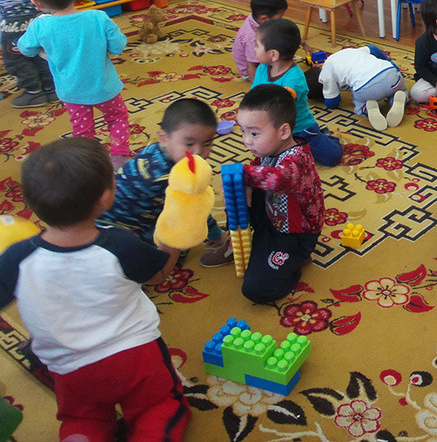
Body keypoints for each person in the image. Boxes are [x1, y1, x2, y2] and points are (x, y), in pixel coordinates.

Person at [0, 138, 189, 439]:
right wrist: (176, 234)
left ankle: (81, 434)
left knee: (83, 418)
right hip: (134, 357)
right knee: (158, 406)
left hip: (70, 369)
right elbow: (159, 274)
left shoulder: (16, 258)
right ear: (105, 197)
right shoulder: (119, 244)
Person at [95, 98, 232, 267]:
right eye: (189, 144)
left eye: (207, 143)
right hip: (123, 233)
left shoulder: (157, 149)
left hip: (105, 221)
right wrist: (217, 235)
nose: (198, 152)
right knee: (180, 241)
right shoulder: (166, 177)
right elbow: (193, 211)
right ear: (164, 137)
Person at [18, 0, 131, 166]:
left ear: (37, 3)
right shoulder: (98, 18)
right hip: (105, 88)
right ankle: (119, 155)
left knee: (83, 130)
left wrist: (45, 52)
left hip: (72, 92)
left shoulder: (40, 25)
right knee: (117, 118)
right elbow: (118, 46)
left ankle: (88, 162)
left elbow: (25, 48)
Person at [235, 84, 325, 303]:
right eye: (243, 131)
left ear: (284, 131)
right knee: (239, 189)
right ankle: (255, 240)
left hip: (294, 236)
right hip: (273, 216)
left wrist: (243, 174)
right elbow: (259, 173)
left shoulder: (297, 159)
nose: (246, 140)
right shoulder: (268, 149)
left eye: (254, 133)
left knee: (255, 289)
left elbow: (280, 179)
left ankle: (297, 261)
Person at [251, 18, 342, 166]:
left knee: (332, 157)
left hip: (301, 129)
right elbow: (254, 95)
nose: (254, 48)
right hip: (274, 129)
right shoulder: (262, 68)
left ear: (274, 55)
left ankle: (325, 137)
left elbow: (283, 100)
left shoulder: (295, 76)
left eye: (257, 45)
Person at [318, 45, 407, 131]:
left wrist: (324, 98)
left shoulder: (325, 73)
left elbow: (333, 102)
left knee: (358, 100)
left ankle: (367, 108)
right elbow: (373, 49)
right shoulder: (350, 51)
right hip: (391, 75)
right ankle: (397, 98)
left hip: (366, 88)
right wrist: (387, 60)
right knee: (402, 90)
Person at [232, 0, 288, 80]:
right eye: (280, 17)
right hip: (251, 70)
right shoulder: (252, 38)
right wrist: (256, 86)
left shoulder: (256, 18)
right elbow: (251, 65)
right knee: (284, 69)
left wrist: (303, 43)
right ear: (264, 18)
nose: (281, 19)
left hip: (259, 54)